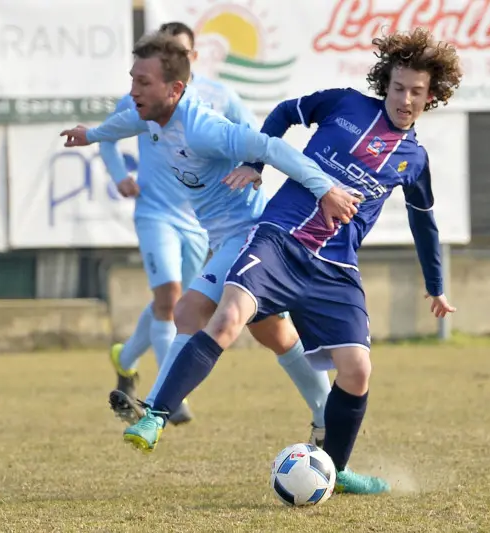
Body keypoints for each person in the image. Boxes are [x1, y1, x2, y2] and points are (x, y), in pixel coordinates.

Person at [121, 27, 460, 495]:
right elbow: (284, 113)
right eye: (398, 88)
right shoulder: (344, 104)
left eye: (416, 92)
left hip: (336, 268)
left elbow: (424, 223)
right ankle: (156, 415)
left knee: (357, 370)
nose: (404, 99)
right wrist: (256, 164)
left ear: (431, 96)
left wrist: (436, 285)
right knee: (227, 318)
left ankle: (334, 469)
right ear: (386, 83)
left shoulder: (414, 160)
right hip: (278, 240)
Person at [60, 32, 357, 446]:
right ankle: (326, 417)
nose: (133, 91)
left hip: (252, 234)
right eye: (132, 80)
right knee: (273, 334)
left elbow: (271, 146)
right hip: (227, 237)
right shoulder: (151, 115)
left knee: (188, 309)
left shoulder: (203, 129)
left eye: (143, 82)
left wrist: (324, 188)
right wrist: (91, 135)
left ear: (175, 88)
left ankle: (155, 411)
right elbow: (126, 121)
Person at [101, 22, 258, 426]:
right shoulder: (144, 98)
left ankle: (126, 357)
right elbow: (106, 135)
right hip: (155, 212)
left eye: (180, 52)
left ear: (192, 58)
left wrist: (250, 168)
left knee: (172, 305)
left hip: (201, 222)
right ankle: (169, 399)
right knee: (171, 299)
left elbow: (252, 136)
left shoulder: (219, 98)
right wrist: (119, 175)